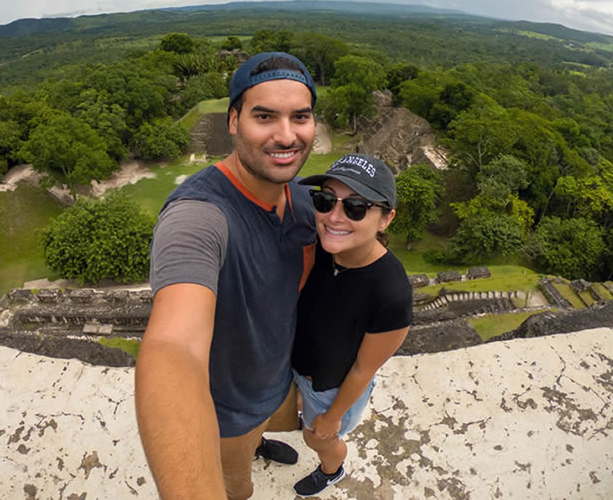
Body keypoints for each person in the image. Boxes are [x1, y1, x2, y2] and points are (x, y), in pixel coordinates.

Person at [135, 52, 318, 500]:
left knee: (259, 434)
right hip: (228, 407)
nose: (286, 135)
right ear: (232, 121)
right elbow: (172, 347)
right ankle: (246, 457)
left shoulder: (303, 198)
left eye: (301, 116)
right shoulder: (198, 217)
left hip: (276, 380)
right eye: (264, 116)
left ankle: (260, 443)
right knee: (237, 485)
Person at [291, 154, 413, 497]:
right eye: (325, 199)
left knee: (316, 438)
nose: (334, 216)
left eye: (356, 207)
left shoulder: (391, 292)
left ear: (385, 218)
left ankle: (332, 469)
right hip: (300, 366)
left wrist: (332, 417)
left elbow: (363, 368)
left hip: (331, 388)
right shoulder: (322, 247)